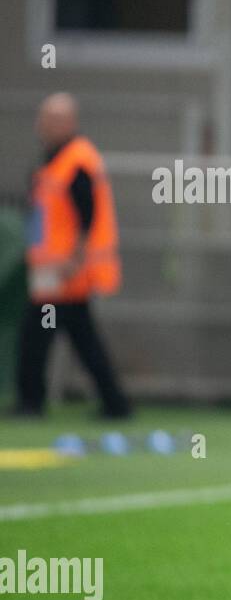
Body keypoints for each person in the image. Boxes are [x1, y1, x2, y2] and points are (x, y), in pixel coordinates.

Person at [14, 93, 130, 419]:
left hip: (64, 273)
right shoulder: (57, 159)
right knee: (82, 338)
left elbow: (87, 215)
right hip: (55, 270)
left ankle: (31, 402)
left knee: (37, 336)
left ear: (67, 123)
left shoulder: (76, 161)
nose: (40, 126)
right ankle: (115, 403)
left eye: (48, 120)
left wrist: (74, 260)